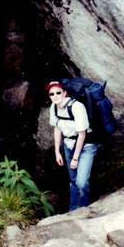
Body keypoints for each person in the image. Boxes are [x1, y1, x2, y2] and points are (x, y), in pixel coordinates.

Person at [47, 80, 98, 211]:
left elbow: (82, 134)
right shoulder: (54, 107)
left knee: (81, 182)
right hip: (68, 145)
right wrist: (57, 152)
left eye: (58, 92)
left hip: (86, 147)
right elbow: (57, 128)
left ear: (65, 93)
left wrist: (75, 158)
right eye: (52, 94)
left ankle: (84, 208)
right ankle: (73, 209)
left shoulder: (77, 107)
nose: (55, 96)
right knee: (73, 180)